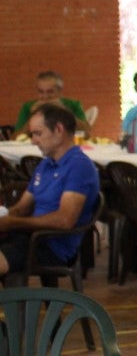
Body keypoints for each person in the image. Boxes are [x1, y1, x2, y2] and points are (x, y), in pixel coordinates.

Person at [0, 103, 101, 286]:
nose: (33, 141)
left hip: (51, 245)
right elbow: (22, 208)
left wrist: (13, 223)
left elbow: (65, 220)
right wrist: (6, 216)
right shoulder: (45, 164)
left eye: (38, 134)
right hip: (30, 236)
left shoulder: (79, 166)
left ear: (59, 130)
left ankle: (16, 313)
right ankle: (15, 312)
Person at [14, 71, 88, 134]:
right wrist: (33, 116)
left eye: (50, 92)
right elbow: (15, 138)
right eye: (41, 92)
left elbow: (87, 132)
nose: (45, 97)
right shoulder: (28, 107)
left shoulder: (73, 104)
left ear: (59, 92)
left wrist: (65, 111)